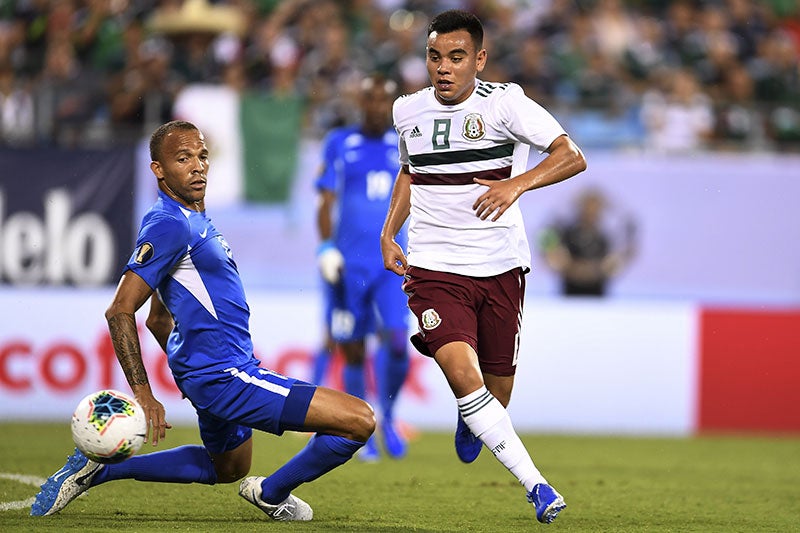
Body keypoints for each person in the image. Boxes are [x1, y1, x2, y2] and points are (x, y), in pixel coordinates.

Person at [31, 120, 375, 521]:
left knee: (228, 468)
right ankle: (271, 493)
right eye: (183, 158)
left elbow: (160, 318)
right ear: (158, 169)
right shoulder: (170, 224)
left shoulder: (192, 220)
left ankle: (101, 468)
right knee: (359, 421)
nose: (198, 166)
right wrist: (144, 393)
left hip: (209, 373)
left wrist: (188, 365)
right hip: (226, 374)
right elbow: (120, 310)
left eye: (202, 156)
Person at [379, 10, 586, 525]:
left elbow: (571, 155)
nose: (443, 68)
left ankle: (469, 416)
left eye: (456, 57)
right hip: (433, 268)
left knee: (497, 392)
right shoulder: (407, 111)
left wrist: (516, 184)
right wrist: (388, 232)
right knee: (462, 373)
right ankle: (537, 485)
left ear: (479, 59)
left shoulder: (507, 104)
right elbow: (410, 171)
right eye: (434, 56)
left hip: (499, 266)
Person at [315, 74, 410, 461]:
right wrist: (325, 247)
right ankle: (363, 426)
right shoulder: (340, 142)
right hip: (349, 265)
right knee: (352, 350)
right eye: (369, 99)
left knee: (400, 343)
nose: (375, 107)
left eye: (382, 100)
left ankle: (387, 416)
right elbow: (325, 201)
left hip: (393, 263)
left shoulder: (406, 143)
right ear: (360, 101)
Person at [539, 188, 636, 297]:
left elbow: (619, 259)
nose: (591, 213)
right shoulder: (567, 234)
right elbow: (546, 244)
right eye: (587, 209)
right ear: (580, 209)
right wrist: (571, 268)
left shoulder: (604, 238)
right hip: (568, 294)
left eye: (595, 210)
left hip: (598, 295)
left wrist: (595, 271)